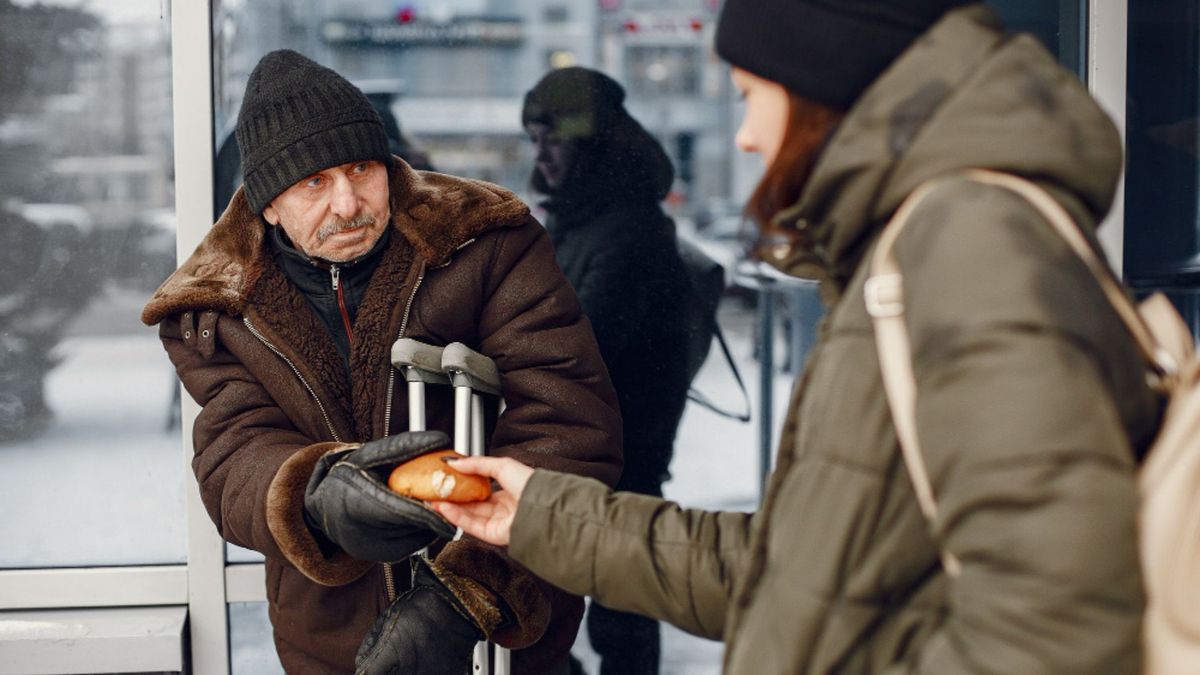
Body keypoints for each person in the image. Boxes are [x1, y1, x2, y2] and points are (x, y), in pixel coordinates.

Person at [435, 1, 1162, 673]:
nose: (746, 135)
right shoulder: (912, 251)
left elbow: (1052, 629)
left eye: (752, 94)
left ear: (822, 85)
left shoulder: (968, 248)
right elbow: (796, 570)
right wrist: (539, 516)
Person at [141, 49, 622, 675]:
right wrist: (316, 494)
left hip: (503, 632)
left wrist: (471, 594)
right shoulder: (220, 305)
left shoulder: (487, 242)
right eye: (314, 182)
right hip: (332, 639)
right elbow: (233, 455)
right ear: (269, 205)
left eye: (361, 168)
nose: (348, 203)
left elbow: (571, 424)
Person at [521, 66, 692, 675]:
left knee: (620, 604)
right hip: (599, 433)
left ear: (593, 145)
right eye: (535, 140)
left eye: (555, 140)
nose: (541, 155)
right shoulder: (581, 217)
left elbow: (578, 344)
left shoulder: (626, 229)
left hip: (623, 440)